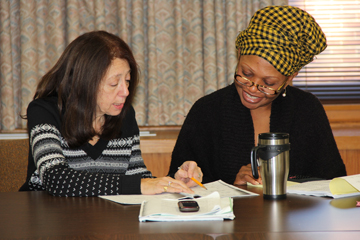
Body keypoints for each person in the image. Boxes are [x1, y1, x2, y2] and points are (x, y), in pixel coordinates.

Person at [168, 5, 346, 186]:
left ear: (290, 78)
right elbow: (181, 185)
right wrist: (234, 185)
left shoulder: (306, 109)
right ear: (239, 55)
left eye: (269, 83)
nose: (253, 89)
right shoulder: (207, 111)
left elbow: (333, 183)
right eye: (247, 73)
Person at [19, 31, 202, 197]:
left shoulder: (124, 115)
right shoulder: (44, 111)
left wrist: (173, 181)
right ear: (84, 83)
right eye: (114, 84)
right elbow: (55, 179)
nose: (125, 92)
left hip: (103, 223)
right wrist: (141, 185)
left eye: (128, 81)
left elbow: (137, 177)